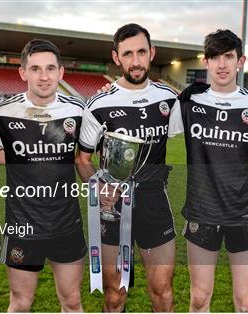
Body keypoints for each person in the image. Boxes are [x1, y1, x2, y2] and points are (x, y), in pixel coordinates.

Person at [168, 29, 248, 312]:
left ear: (240, 61)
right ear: (206, 62)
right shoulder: (187, 104)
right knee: (199, 298)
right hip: (201, 211)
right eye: (215, 57)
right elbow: (147, 125)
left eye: (229, 57)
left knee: (246, 303)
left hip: (243, 213)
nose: (222, 64)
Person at [75, 23, 176, 312]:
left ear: (152, 53)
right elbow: (82, 159)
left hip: (155, 203)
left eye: (141, 52)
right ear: (116, 57)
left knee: (163, 292)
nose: (135, 60)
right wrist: (98, 186)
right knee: (114, 294)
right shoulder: (98, 104)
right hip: (113, 208)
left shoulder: (169, 99)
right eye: (127, 53)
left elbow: (203, 134)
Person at [0, 39, 86, 312]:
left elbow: (85, 157)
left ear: (61, 72)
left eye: (50, 68)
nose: (43, 76)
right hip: (23, 225)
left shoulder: (78, 111)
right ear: (23, 73)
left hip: (66, 224)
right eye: (35, 69)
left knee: (71, 301)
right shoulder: (2, 113)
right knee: (20, 302)